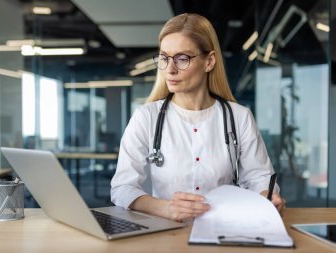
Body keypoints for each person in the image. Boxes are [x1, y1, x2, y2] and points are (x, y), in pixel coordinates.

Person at [111, 13, 285, 222]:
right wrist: (165, 208)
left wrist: (266, 197)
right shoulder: (146, 117)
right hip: (165, 233)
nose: (170, 69)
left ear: (209, 61)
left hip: (224, 228)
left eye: (182, 59)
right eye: (165, 58)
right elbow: (122, 188)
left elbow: (260, 177)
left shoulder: (239, 117)